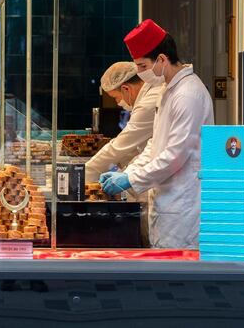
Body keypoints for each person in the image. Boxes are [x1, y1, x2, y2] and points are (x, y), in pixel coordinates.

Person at [100, 19, 214, 249]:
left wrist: (130, 180)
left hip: (183, 205)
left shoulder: (188, 94)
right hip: (166, 200)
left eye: (142, 66)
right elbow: (156, 144)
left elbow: (174, 155)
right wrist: (128, 171)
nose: (140, 73)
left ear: (161, 59)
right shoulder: (168, 90)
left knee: (177, 276)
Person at [85, 61, 164, 183]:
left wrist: (84, 172)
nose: (118, 103)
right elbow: (132, 146)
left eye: (116, 98)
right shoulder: (149, 95)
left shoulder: (148, 104)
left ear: (126, 89)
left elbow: (120, 146)